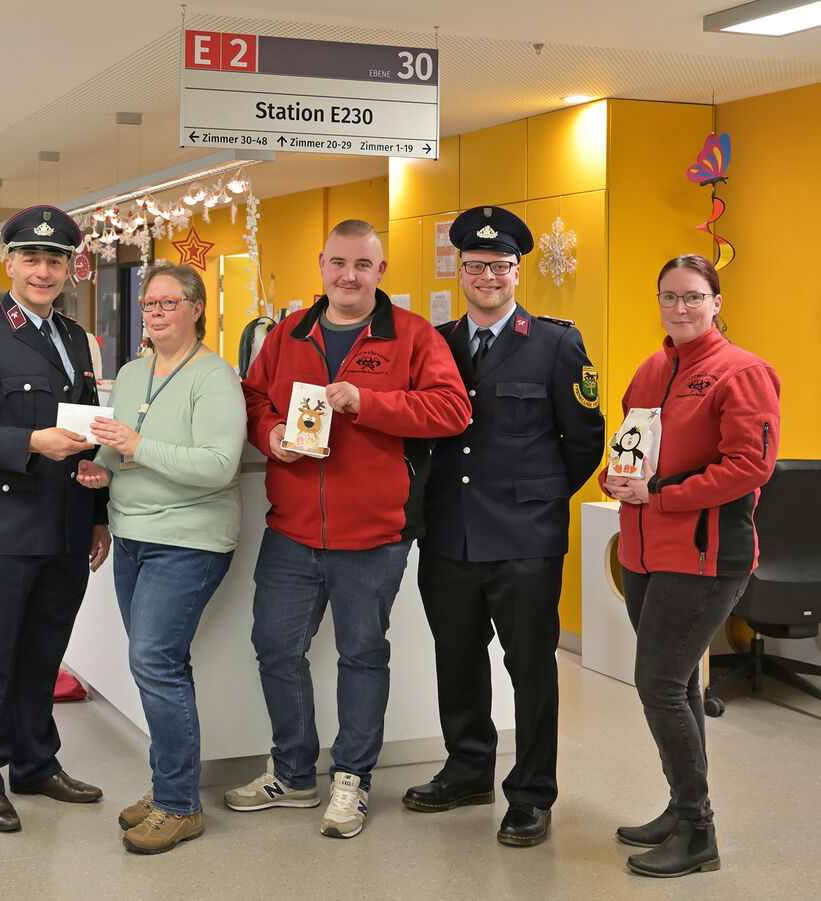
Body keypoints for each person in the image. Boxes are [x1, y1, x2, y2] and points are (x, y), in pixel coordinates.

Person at [228, 219, 471, 839]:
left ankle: (353, 779)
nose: (348, 276)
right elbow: (253, 398)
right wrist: (271, 433)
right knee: (277, 649)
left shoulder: (412, 336)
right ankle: (294, 772)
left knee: (362, 655)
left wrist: (368, 403)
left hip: (374, 533)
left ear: (380, 272)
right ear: (321, 264)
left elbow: (452, 410)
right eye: (338, 263)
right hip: (292, 529)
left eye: (362, 265)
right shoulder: (288, 333)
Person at [403, 206, 605, 847]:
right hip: (450, 534)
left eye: (499, 265)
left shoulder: (554, 343)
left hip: (524, 537)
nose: (486, 275)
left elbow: (584, 443)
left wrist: (538, 502)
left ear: (517, 271)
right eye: (474, 265)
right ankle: (468, 769)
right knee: (456, 660)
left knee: (531, 669)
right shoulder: (435, 343)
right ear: (458, 270)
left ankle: (532, 793)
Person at [602, 254, 779, 877]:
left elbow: (748, 467)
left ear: (716, 301)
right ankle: (682, 809)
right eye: (669, 296)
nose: (680, 308)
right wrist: (618, 475)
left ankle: (699, 831)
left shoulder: (743, 373)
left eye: (693, 297)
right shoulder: (651, 370)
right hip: (645, 554)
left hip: (706, 558)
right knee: (679, 685)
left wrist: (661, 494)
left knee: (658, 685)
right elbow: (632, 443)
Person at [0, 205, 111, 833]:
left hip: (66, 522)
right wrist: (32, 442)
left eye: (56, 260)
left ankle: (36, 762)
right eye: (32, 259)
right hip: (7, 523)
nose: (44, 271)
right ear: (8, 263)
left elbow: (86, 432)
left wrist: (97, 514)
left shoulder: (73, 336)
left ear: (71, 267)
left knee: (45, 650)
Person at [75, 263, 246, 854]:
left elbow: (219, 465)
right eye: (149, 304)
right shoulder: (129, 372)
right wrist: (103, 466)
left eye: (169, 303)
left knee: (153, 659)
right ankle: (169, 783)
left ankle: (179, 804)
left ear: (197, 308)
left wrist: (136, 446)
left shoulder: (215, 378)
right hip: (132, 534)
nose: (156, 313)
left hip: (190, 540)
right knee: (162, 662)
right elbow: (119, 448)